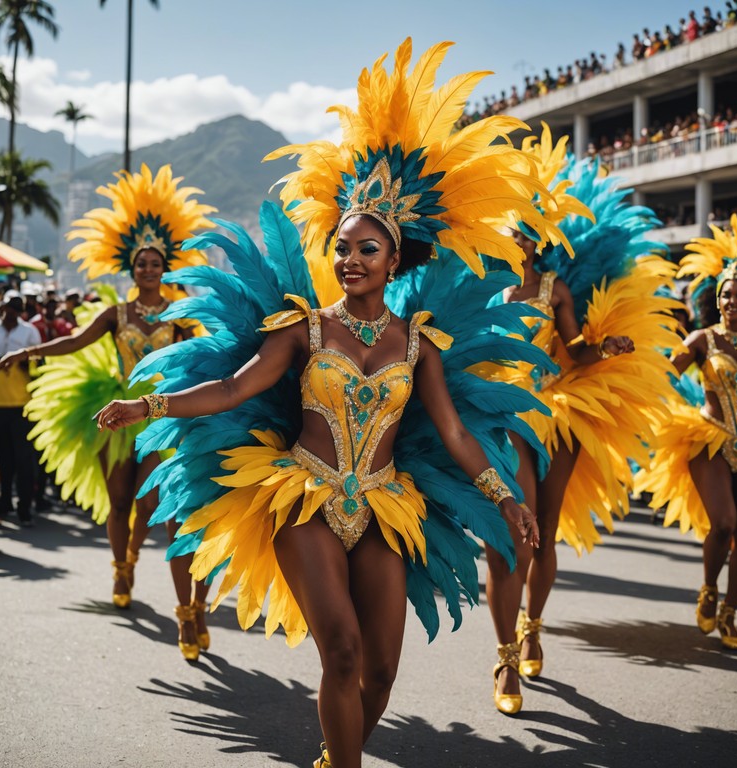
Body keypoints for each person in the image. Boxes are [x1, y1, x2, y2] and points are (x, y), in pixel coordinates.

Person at [95, 39, 564, 768]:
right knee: (340, 654)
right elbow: (233, 386)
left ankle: (332, 755)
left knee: (380, 673)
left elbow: (454, 434)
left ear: (395, 259)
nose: (350, 260)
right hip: (304, 495)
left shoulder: (420, 345)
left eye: (367, 250)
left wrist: (504, 498)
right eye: (342, 247)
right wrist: (148, 405)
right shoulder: (305, 329)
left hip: (383, 503)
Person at [483, 131, 682, 715]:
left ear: (536, 236)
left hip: (555, 412)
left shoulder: (554, 288)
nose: (516, 236)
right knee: (509, 536)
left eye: (525, 228)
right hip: (501, 417)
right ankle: (503, 656)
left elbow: (572, 352)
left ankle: (533, 625)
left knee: (544, 527)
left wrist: (605, 347)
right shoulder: (481, 288)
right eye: (508, 227)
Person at [0, 165, 217, 661]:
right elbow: (73, 340)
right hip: (120, 413)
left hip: (161, 417)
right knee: (119, 502)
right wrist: (27, 353)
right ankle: (123, 565)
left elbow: (204, 358)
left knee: (158, 506)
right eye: (141, 263)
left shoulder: (180, 315)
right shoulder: (115, 314)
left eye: (155, 263)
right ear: (131, 268)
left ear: (165, 268)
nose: (147, 269)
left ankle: (170, 590)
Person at [636, 215, 737, 650]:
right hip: (708, 435)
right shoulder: (700, 339)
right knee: (725, 522)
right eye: (725, 294)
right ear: (718, 298)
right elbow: (660, 375)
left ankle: (730, 611)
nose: (731, 301)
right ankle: (710, 586)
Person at [0, 290, 42, 526]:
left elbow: (41, 363)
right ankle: (4, 503)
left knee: (24, 460)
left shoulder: (29, 332)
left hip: (23, 406)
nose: (11, 311)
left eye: (17, 307)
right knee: (4, 460)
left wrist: (23, 361)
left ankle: (25, 508)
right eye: (9, 306)